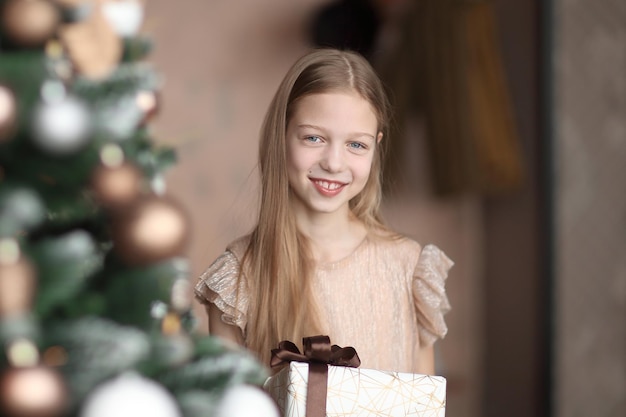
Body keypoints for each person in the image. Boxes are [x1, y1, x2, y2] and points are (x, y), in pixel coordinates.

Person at [194, 48, 452, 375]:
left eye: (356, 144)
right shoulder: (239, 278)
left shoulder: (407, 265)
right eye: (314, 138)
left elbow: (422, 402)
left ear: (376, 145)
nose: (333, 162)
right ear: (281, 136)